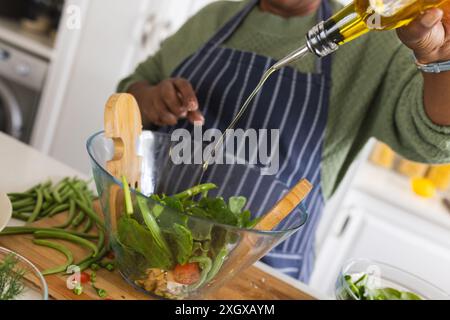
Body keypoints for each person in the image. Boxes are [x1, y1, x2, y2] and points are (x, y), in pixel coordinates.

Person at [118, 0, 450, 283]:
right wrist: (148, 99)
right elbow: (130, 90)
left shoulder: (375, 44)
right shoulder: (214, 16)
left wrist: (437, 57)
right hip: (150, 247)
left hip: (261, 277)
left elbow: (433, 141)